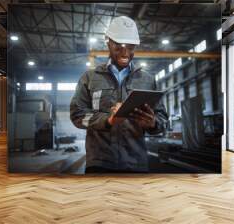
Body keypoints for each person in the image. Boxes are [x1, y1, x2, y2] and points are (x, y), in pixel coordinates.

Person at [70, 16, 168, 173]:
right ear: (108, 42)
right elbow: (77, 115)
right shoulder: (90, 78)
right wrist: (107, 120)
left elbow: (163, 121)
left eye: (131, 47)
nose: (125, 52)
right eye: (119, 46)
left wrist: (153, 123)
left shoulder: (148, 80)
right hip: (100, 164)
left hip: (136, 164)